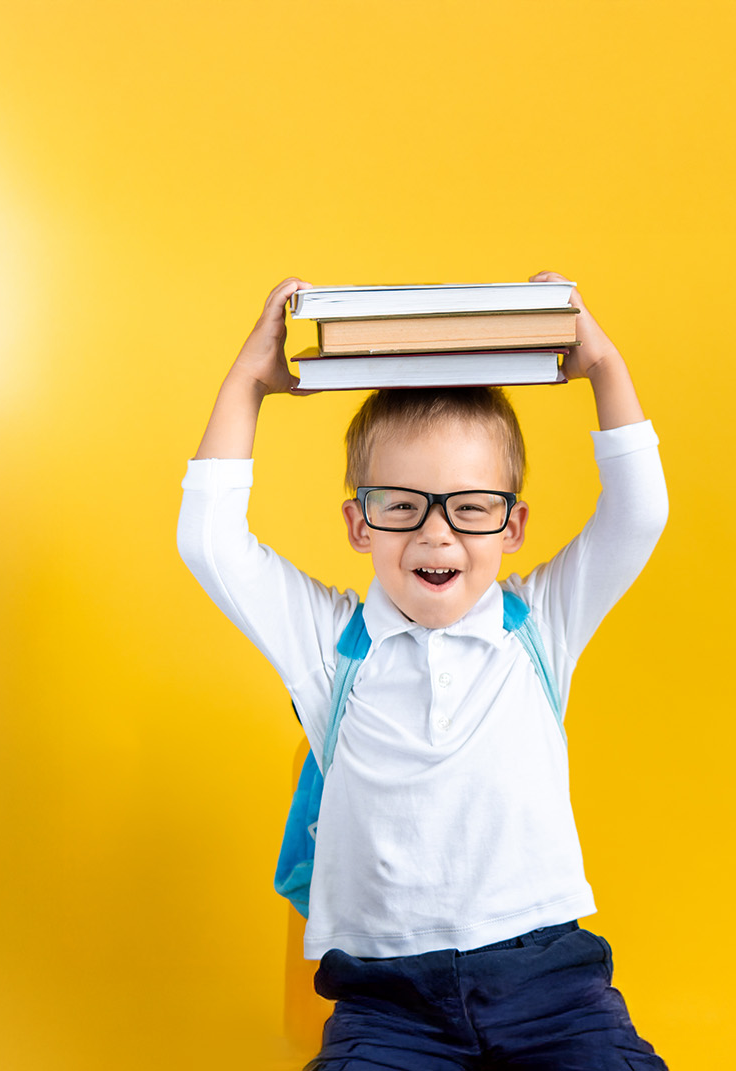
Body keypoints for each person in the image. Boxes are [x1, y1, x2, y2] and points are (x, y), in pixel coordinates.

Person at [177, 271, 671, 1069]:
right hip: (388, 1005)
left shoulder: (540, 624)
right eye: (401, 505)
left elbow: (639, 511)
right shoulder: (329, 645)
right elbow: (209, 540)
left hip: (551, 987)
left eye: (469, 506)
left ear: (513, 525)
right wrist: (250, 383)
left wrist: (603, 367)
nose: (436, 535)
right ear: (357, 523)